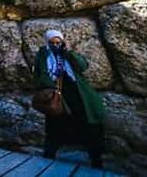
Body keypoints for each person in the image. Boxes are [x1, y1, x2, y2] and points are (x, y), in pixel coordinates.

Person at [34, 29, 106, 168]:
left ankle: (96, 160)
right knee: (55, 128)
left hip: (78, 95)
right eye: (52, 42)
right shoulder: (43, 55)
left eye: (58, 42)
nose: (55, 45)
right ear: (47, 43)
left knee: (89, 126)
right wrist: (51, 85)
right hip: (57, 96)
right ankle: (48, 159)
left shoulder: (68, 54)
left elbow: (83, 65)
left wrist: (69, 53)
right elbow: (40, 75)